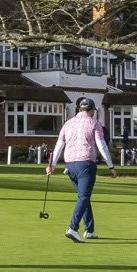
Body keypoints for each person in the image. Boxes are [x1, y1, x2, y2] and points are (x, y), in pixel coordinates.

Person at [47, 96, 116, 244]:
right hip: (86, 163)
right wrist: (111, 166)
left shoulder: (68, 123)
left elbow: (59, 145)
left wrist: (52, 165)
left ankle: (89, 230)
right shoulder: (94, 123)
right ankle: (73, 228)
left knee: (83, 196)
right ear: (91, 109)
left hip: (70, 164)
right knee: (84, 196)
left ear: (79, 109)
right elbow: (101, 145)